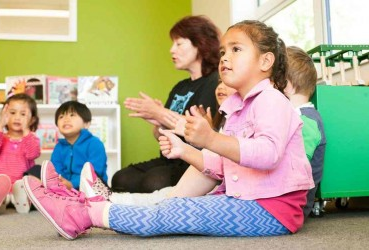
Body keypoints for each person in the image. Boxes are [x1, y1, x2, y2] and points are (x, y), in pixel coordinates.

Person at [23, 20, 314, 239]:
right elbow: (224, 165)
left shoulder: (273, 101)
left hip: (273, 209)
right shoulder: (239, 107)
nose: (224, 57)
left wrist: (210, 138)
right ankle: (90, 202)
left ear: (266, 61)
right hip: (248, 198)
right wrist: (187, 149)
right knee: (173, 201)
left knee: (175, 212)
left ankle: (83, 214)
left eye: (236, 50)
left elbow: (267, 155)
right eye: (224, 50)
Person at [79, 80, 236, 205]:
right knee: (160, 195)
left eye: (229, 83)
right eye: (220, 82)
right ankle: (110, 200)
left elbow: (218, 163)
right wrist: (163, 125)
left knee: (162, 197)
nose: (221, 86)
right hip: (204, 173)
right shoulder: (181, 88)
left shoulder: (235, 122)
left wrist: (191, 141)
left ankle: (110, 201)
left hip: (212, 182)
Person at [111, 15, 221, 193]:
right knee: (120, 178)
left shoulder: (215, 82)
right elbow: (161, 136)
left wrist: (160, 113)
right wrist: (159, 123)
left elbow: (201, 130)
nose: (172, 50)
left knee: (153, 183)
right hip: (168, 158)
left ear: (200, 43)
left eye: (179, 44)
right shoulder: (180, 87)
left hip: (191, 161)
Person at [284, 46, 326, 218]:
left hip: (295, 205)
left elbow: (296, 167)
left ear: (288, 86)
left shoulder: (306, 120)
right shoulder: (296, 116)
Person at [0, 93, 40, 214]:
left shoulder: (31, 138)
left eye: (23, 114)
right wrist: (0, 125)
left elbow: (33, 154)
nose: (17, 117)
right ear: (4, 115)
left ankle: (20, 200)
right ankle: (1, 201)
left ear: (32, 119)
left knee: (36, 176)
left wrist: (26, 131)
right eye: (12, 113)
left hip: (20, 188)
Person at [49, 101, 108, 190]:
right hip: (66, 189)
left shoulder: (95, 144)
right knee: (38, 172)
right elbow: (56, 170)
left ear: (86, 124)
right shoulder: (59, 147)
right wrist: (61, 182)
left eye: (72, 115)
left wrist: (72, 184)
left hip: (92, 188)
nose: (66, 119)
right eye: (61, 116)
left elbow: (94, 172)